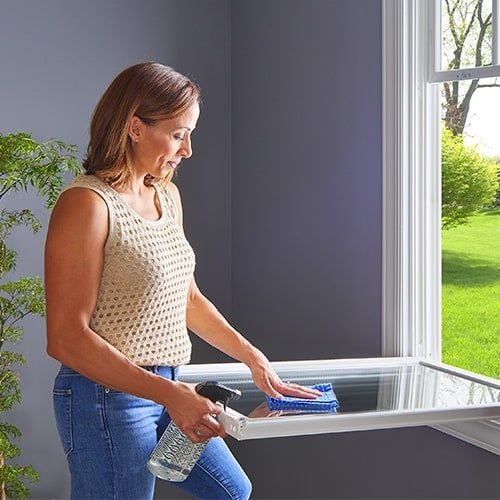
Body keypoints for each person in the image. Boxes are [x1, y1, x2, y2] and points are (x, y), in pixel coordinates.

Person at [44, 62, 319, 500]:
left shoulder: (166, 196)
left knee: (232, 491)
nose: (187, 149)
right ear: (135, 127)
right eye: (178, 134)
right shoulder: (87, 204)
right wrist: (169, 393)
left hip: (170, 390)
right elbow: (65, 338)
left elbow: (186, 298)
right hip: (106, 400)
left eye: (190, 134)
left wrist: (254, 358)